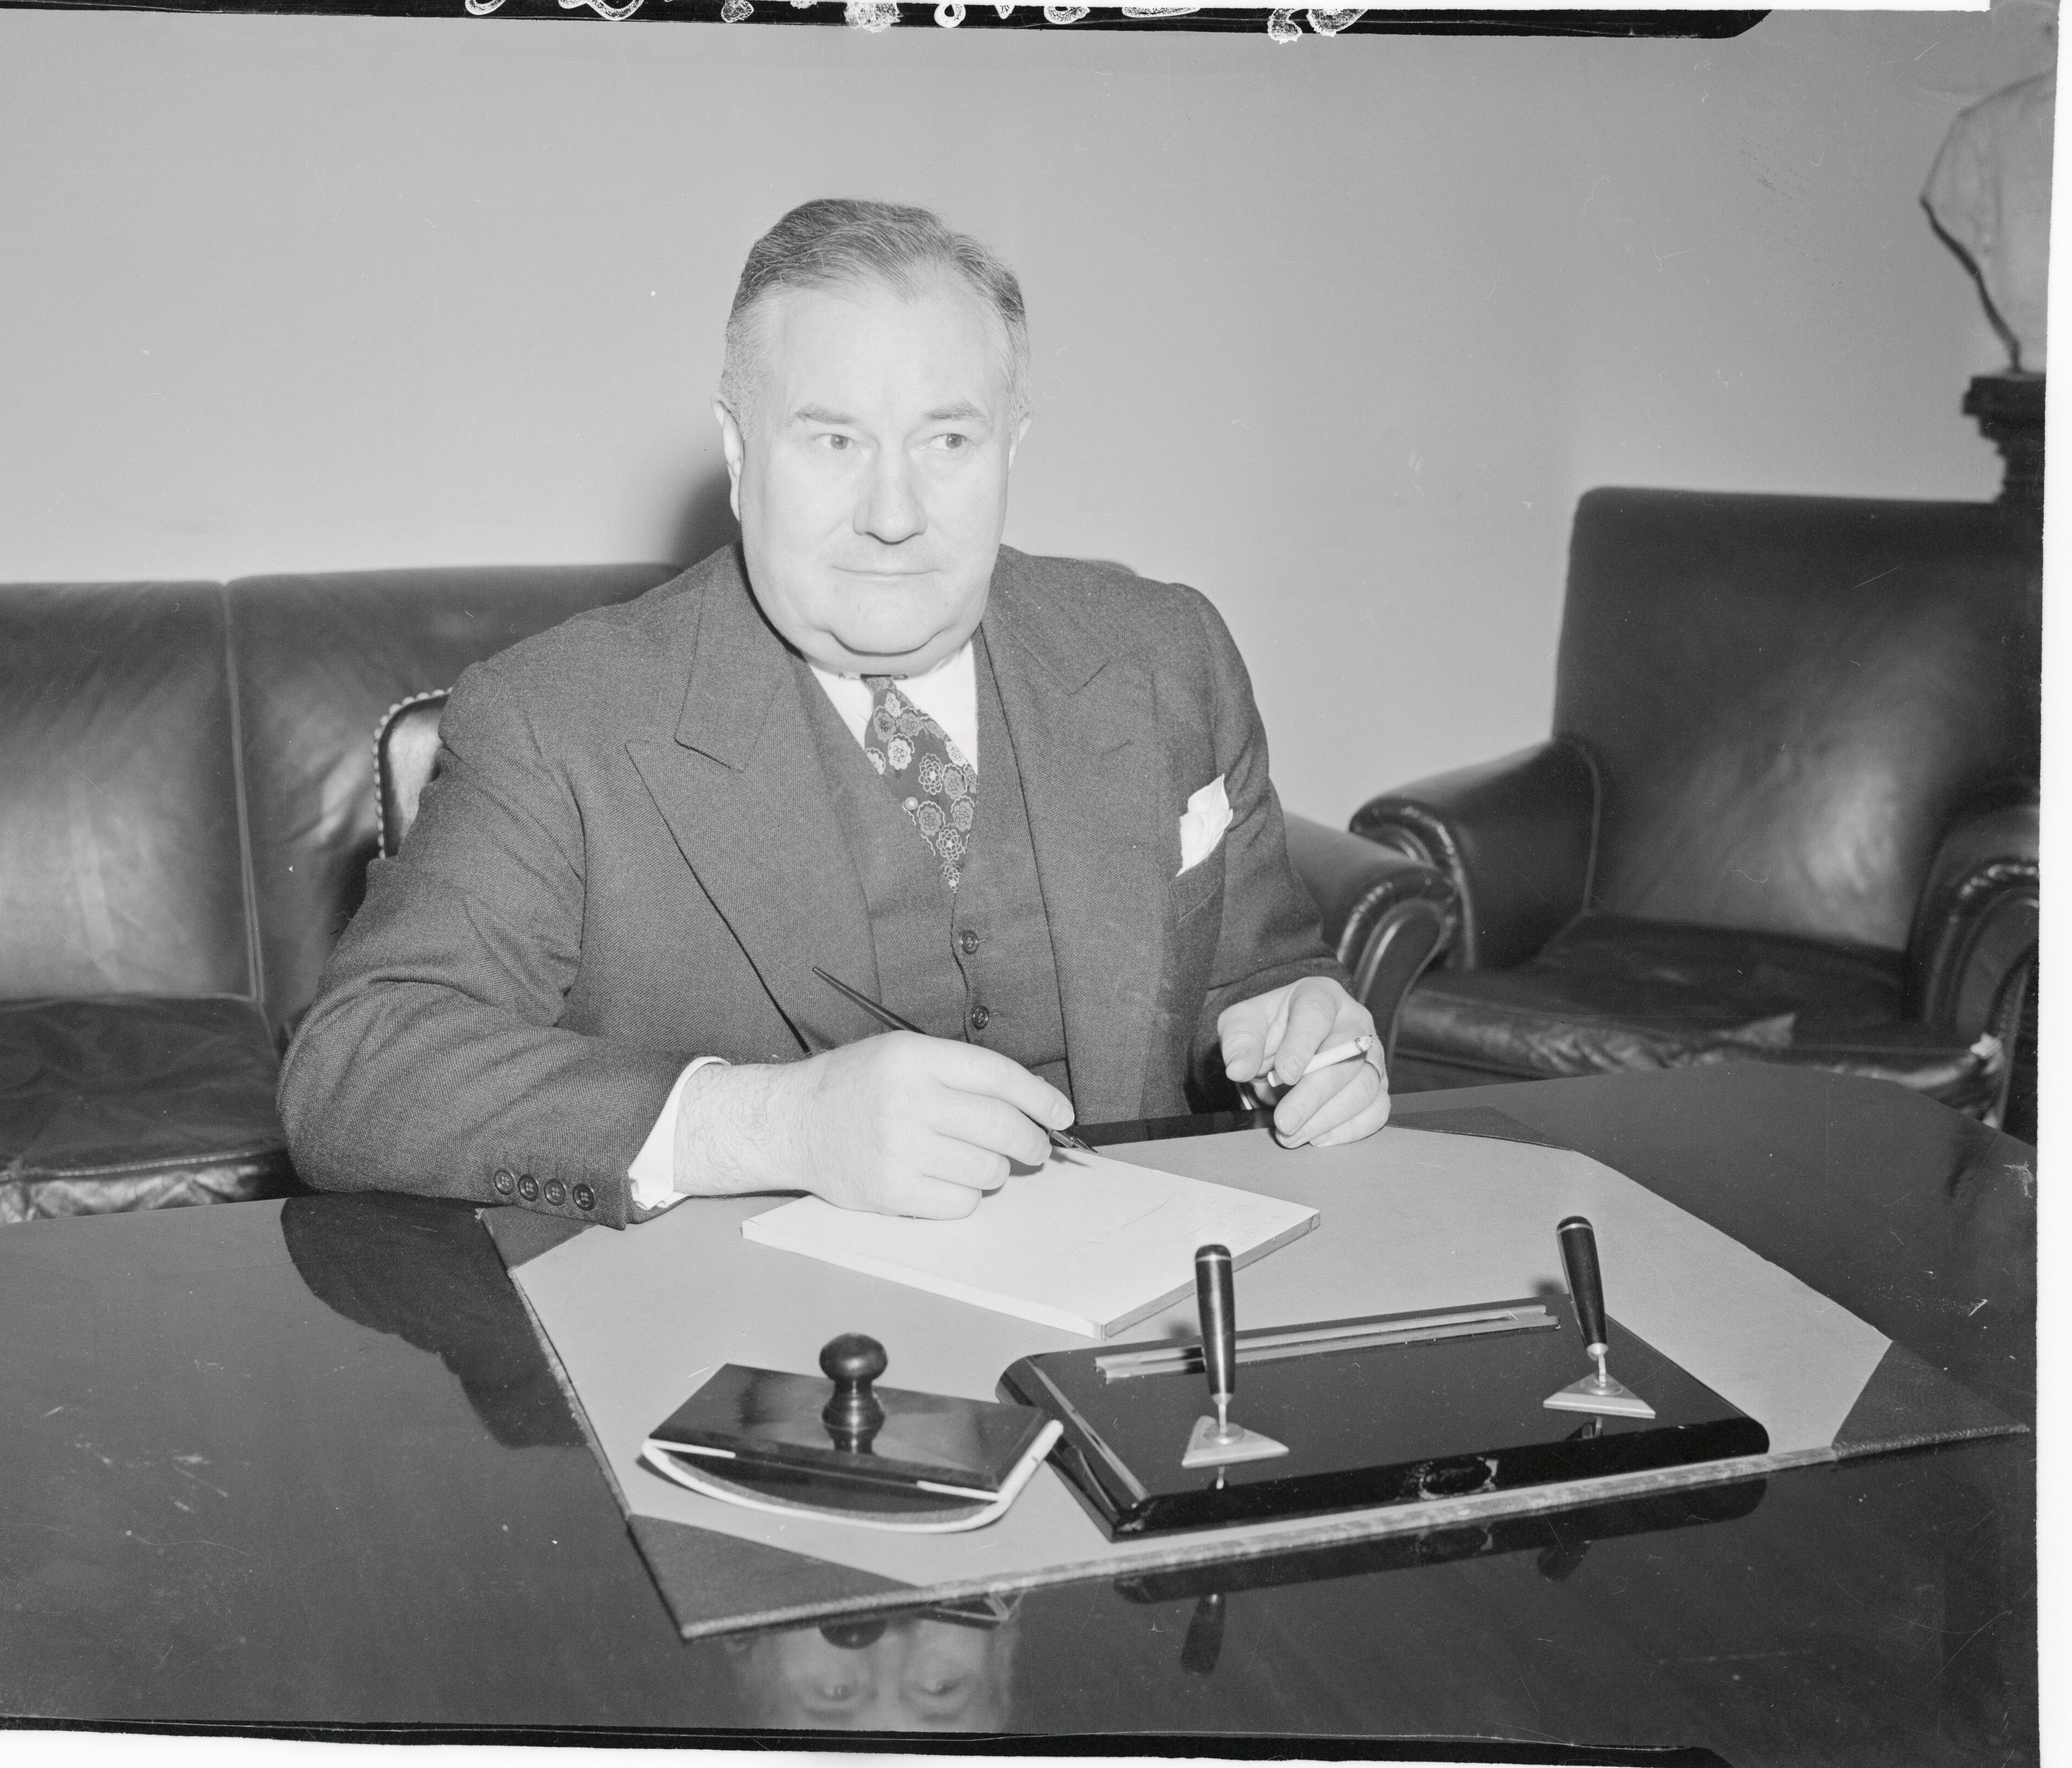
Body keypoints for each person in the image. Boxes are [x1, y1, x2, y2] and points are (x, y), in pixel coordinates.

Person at [280, 198, 1390, 1231]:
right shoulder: (556, 718)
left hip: (1134, 1297)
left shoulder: (1164, 653)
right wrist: (782, 1124)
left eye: (946, 441)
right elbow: (357, 1073)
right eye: (833, 440)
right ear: (736, 453)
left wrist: (1308, 1032)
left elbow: (1257, 971)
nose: (894, 515)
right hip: (749, 1363)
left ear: (1011, 449)